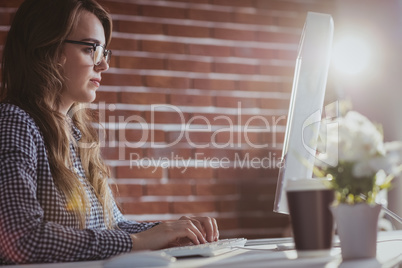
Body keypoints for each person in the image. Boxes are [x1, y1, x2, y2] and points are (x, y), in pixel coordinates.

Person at [0, 0, 219, 264]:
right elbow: (22, 239)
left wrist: (170, 231)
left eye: (104, 52)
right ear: (46, 47)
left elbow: (112, 226)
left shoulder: (75, 132)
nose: (103, 65)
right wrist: (137, 242)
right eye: (91, 49)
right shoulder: (14, 123)